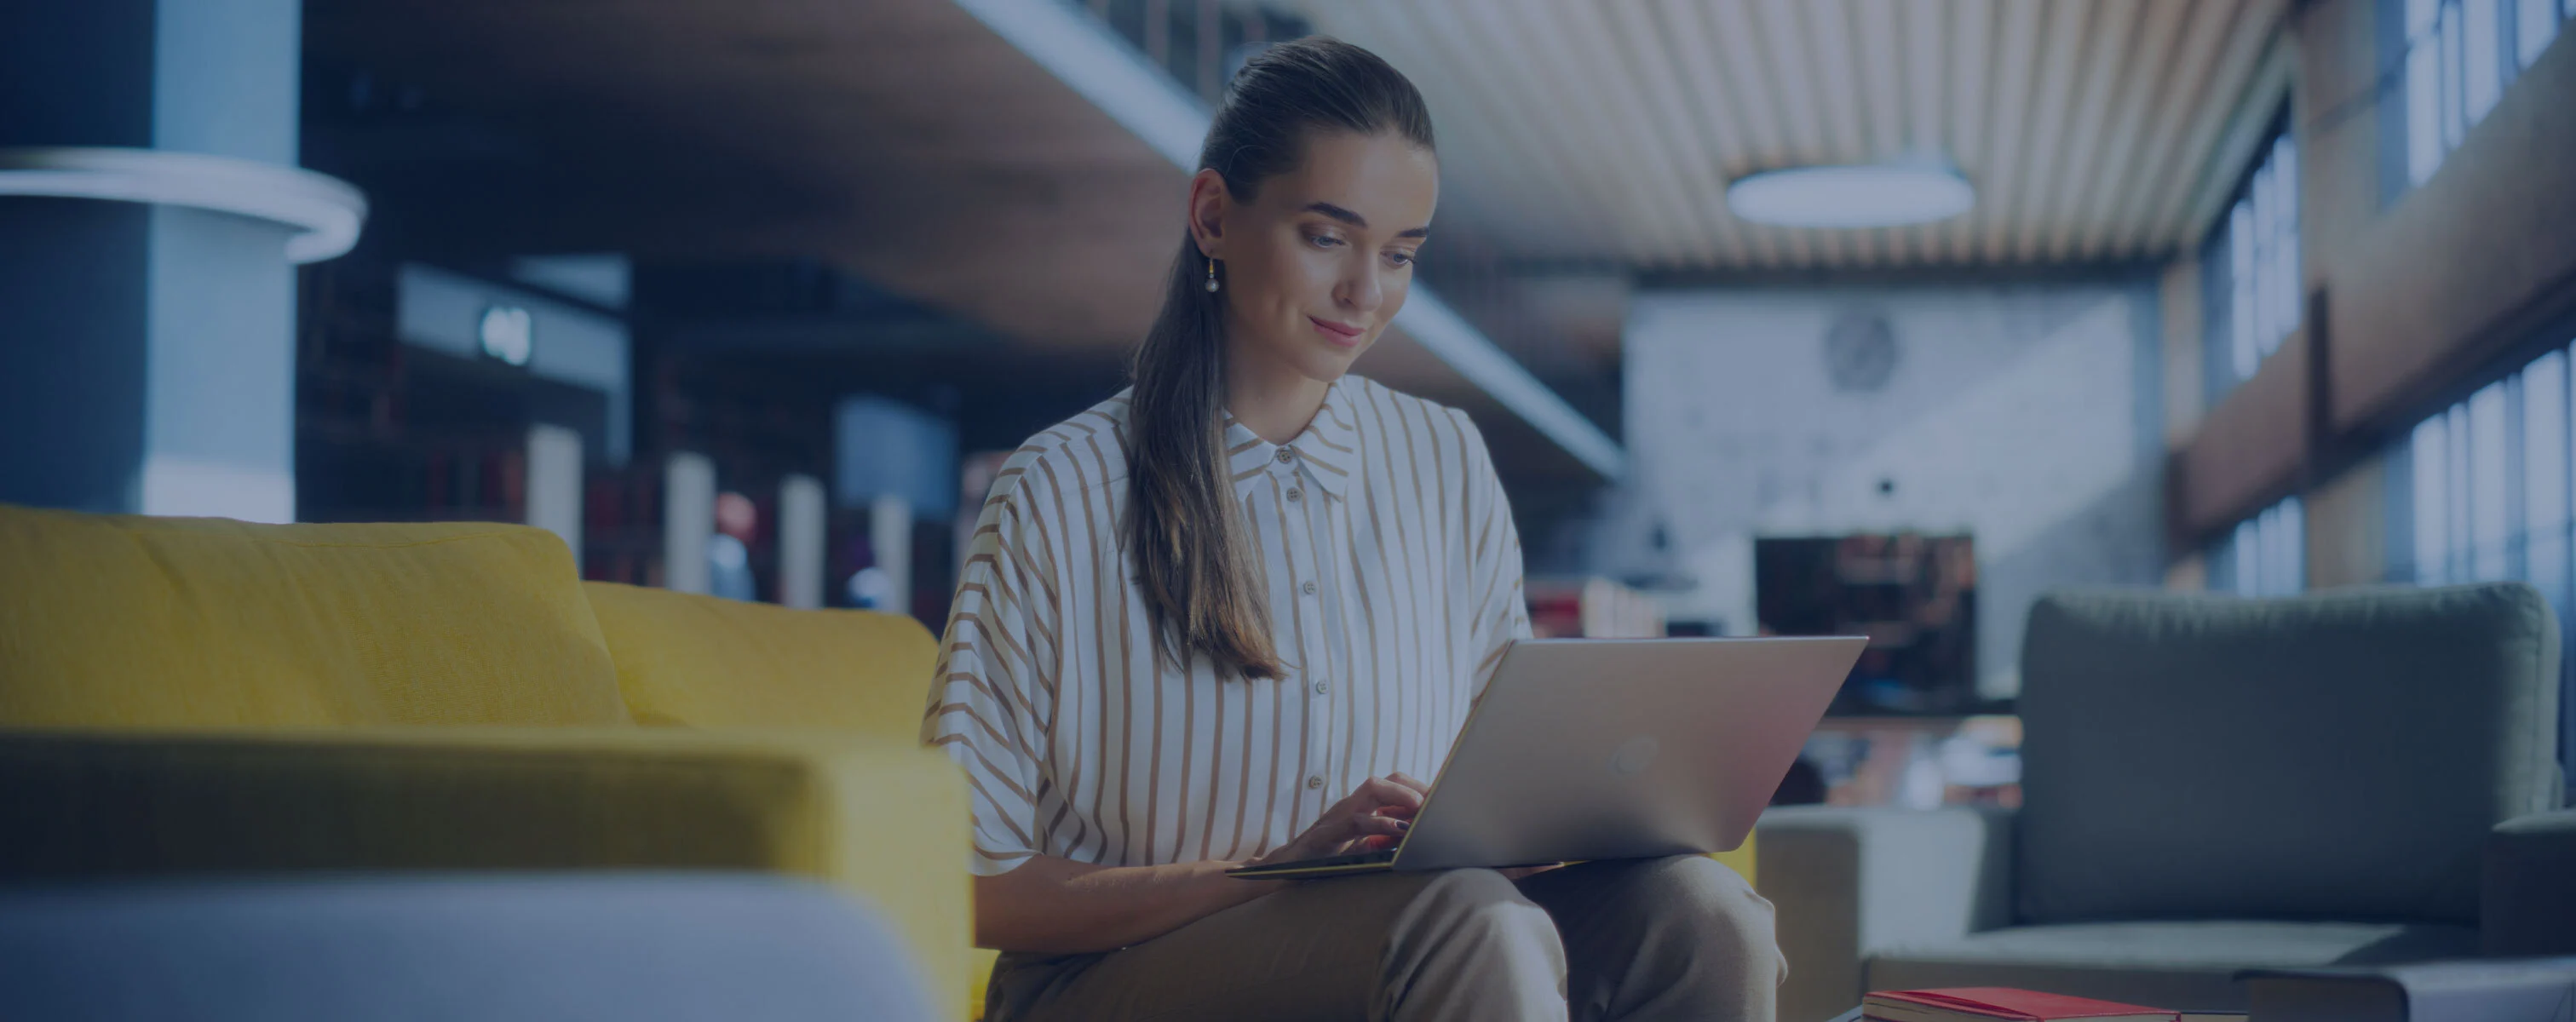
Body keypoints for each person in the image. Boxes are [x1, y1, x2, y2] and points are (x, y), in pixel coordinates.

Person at [923, 36, 1785, 1022]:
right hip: (1114, 978)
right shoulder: (1060, 488)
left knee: (1706, 914)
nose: (1367, 293)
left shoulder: (1445, 459)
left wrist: (1573, 812)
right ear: (1213, 216)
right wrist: (1268, 874)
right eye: (1327, 238)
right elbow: (966, 882)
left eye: (1401, 252)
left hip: (1425, 929)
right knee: (1468, 921)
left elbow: (1502, 774)